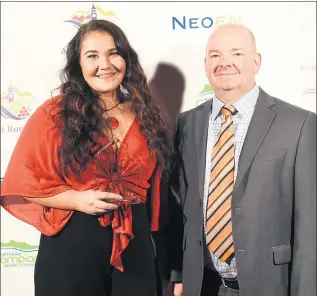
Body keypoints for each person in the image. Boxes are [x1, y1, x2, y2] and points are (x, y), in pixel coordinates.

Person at [1, 19, 173, 296]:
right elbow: (21, 183)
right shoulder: (54, 114)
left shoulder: (147, 115)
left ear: (126, 59)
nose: (104, 64)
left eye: (113, 53)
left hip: (136, 247)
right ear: (78, 66)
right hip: (72, 242)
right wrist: (76, 199)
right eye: (92, 56)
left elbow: (159, 195)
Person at [169, 24, 316, 296]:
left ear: (256, 61)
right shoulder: (187, 123)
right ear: (205, 64)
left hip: (270, 284)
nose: (225, 62)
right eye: (215, 55)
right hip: (203, 284)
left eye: (236, 53)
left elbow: (309, 225)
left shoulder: (299, 124)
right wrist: (179, 273)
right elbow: (181, 205)